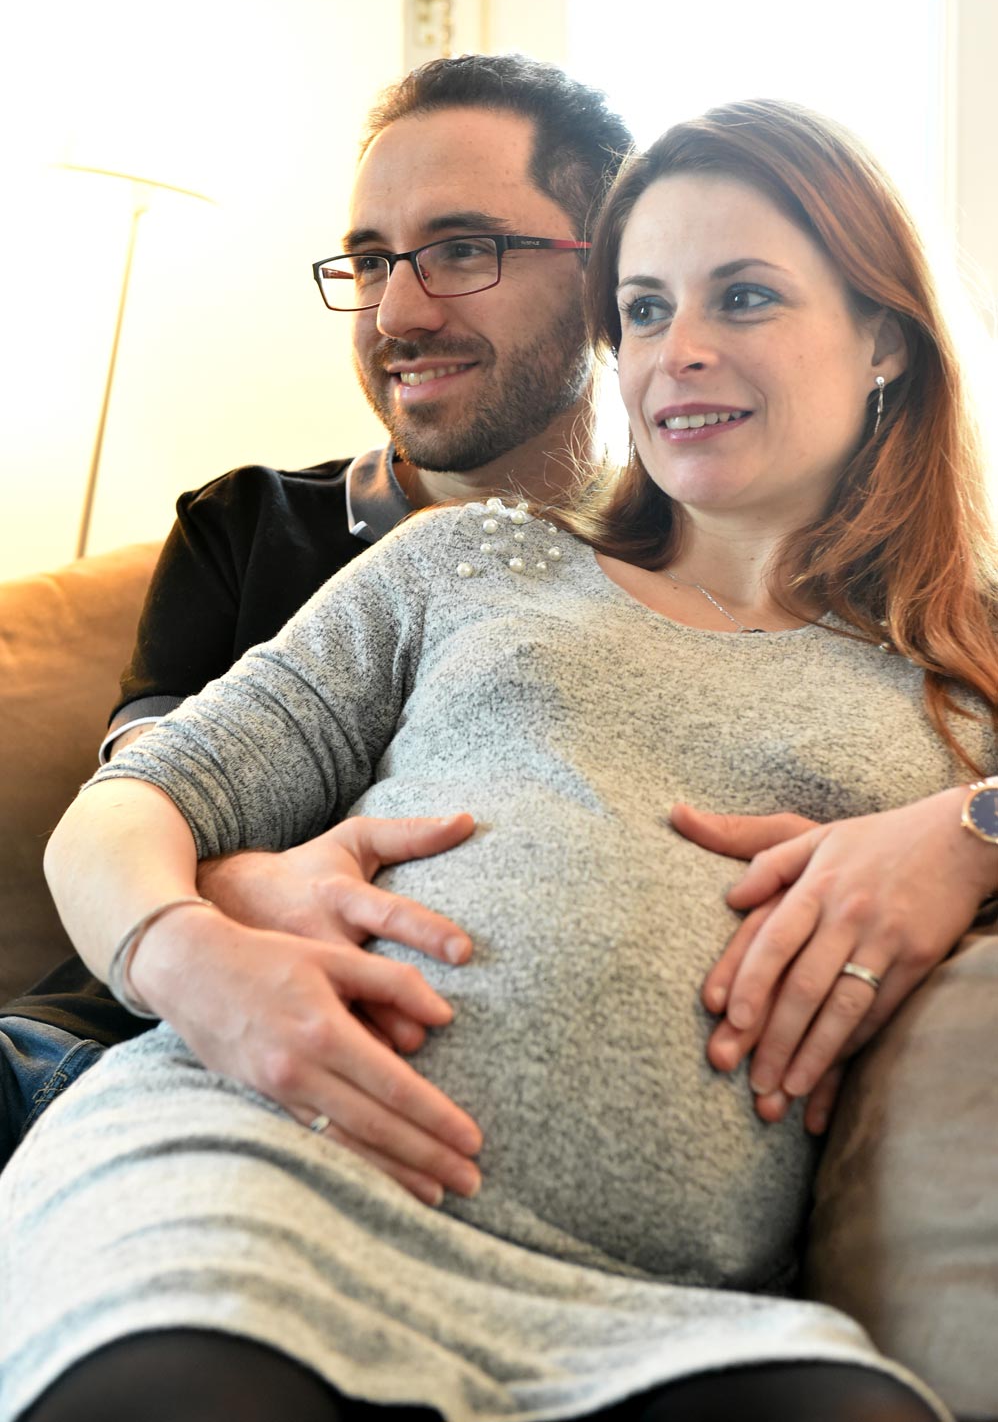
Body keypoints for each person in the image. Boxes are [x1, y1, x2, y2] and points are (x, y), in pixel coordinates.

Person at [1, 96, 980, 1421]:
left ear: (882, 339)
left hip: (655, 1311)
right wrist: (190, 959)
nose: (679, 351)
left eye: (742, 297)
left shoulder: (960, 670)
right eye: (643, 310)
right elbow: (126, 808)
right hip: (256, 1187)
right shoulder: (469, 562)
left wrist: (969, 829)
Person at [0, 53, 633, 1185]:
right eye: (371, 259)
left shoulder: (685, 574)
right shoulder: (244, 525)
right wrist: (215, 889)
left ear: (610, 275)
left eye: (462, 249)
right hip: (87, 1054)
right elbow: (143, 809)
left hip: (401, 1122)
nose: (397, 312)